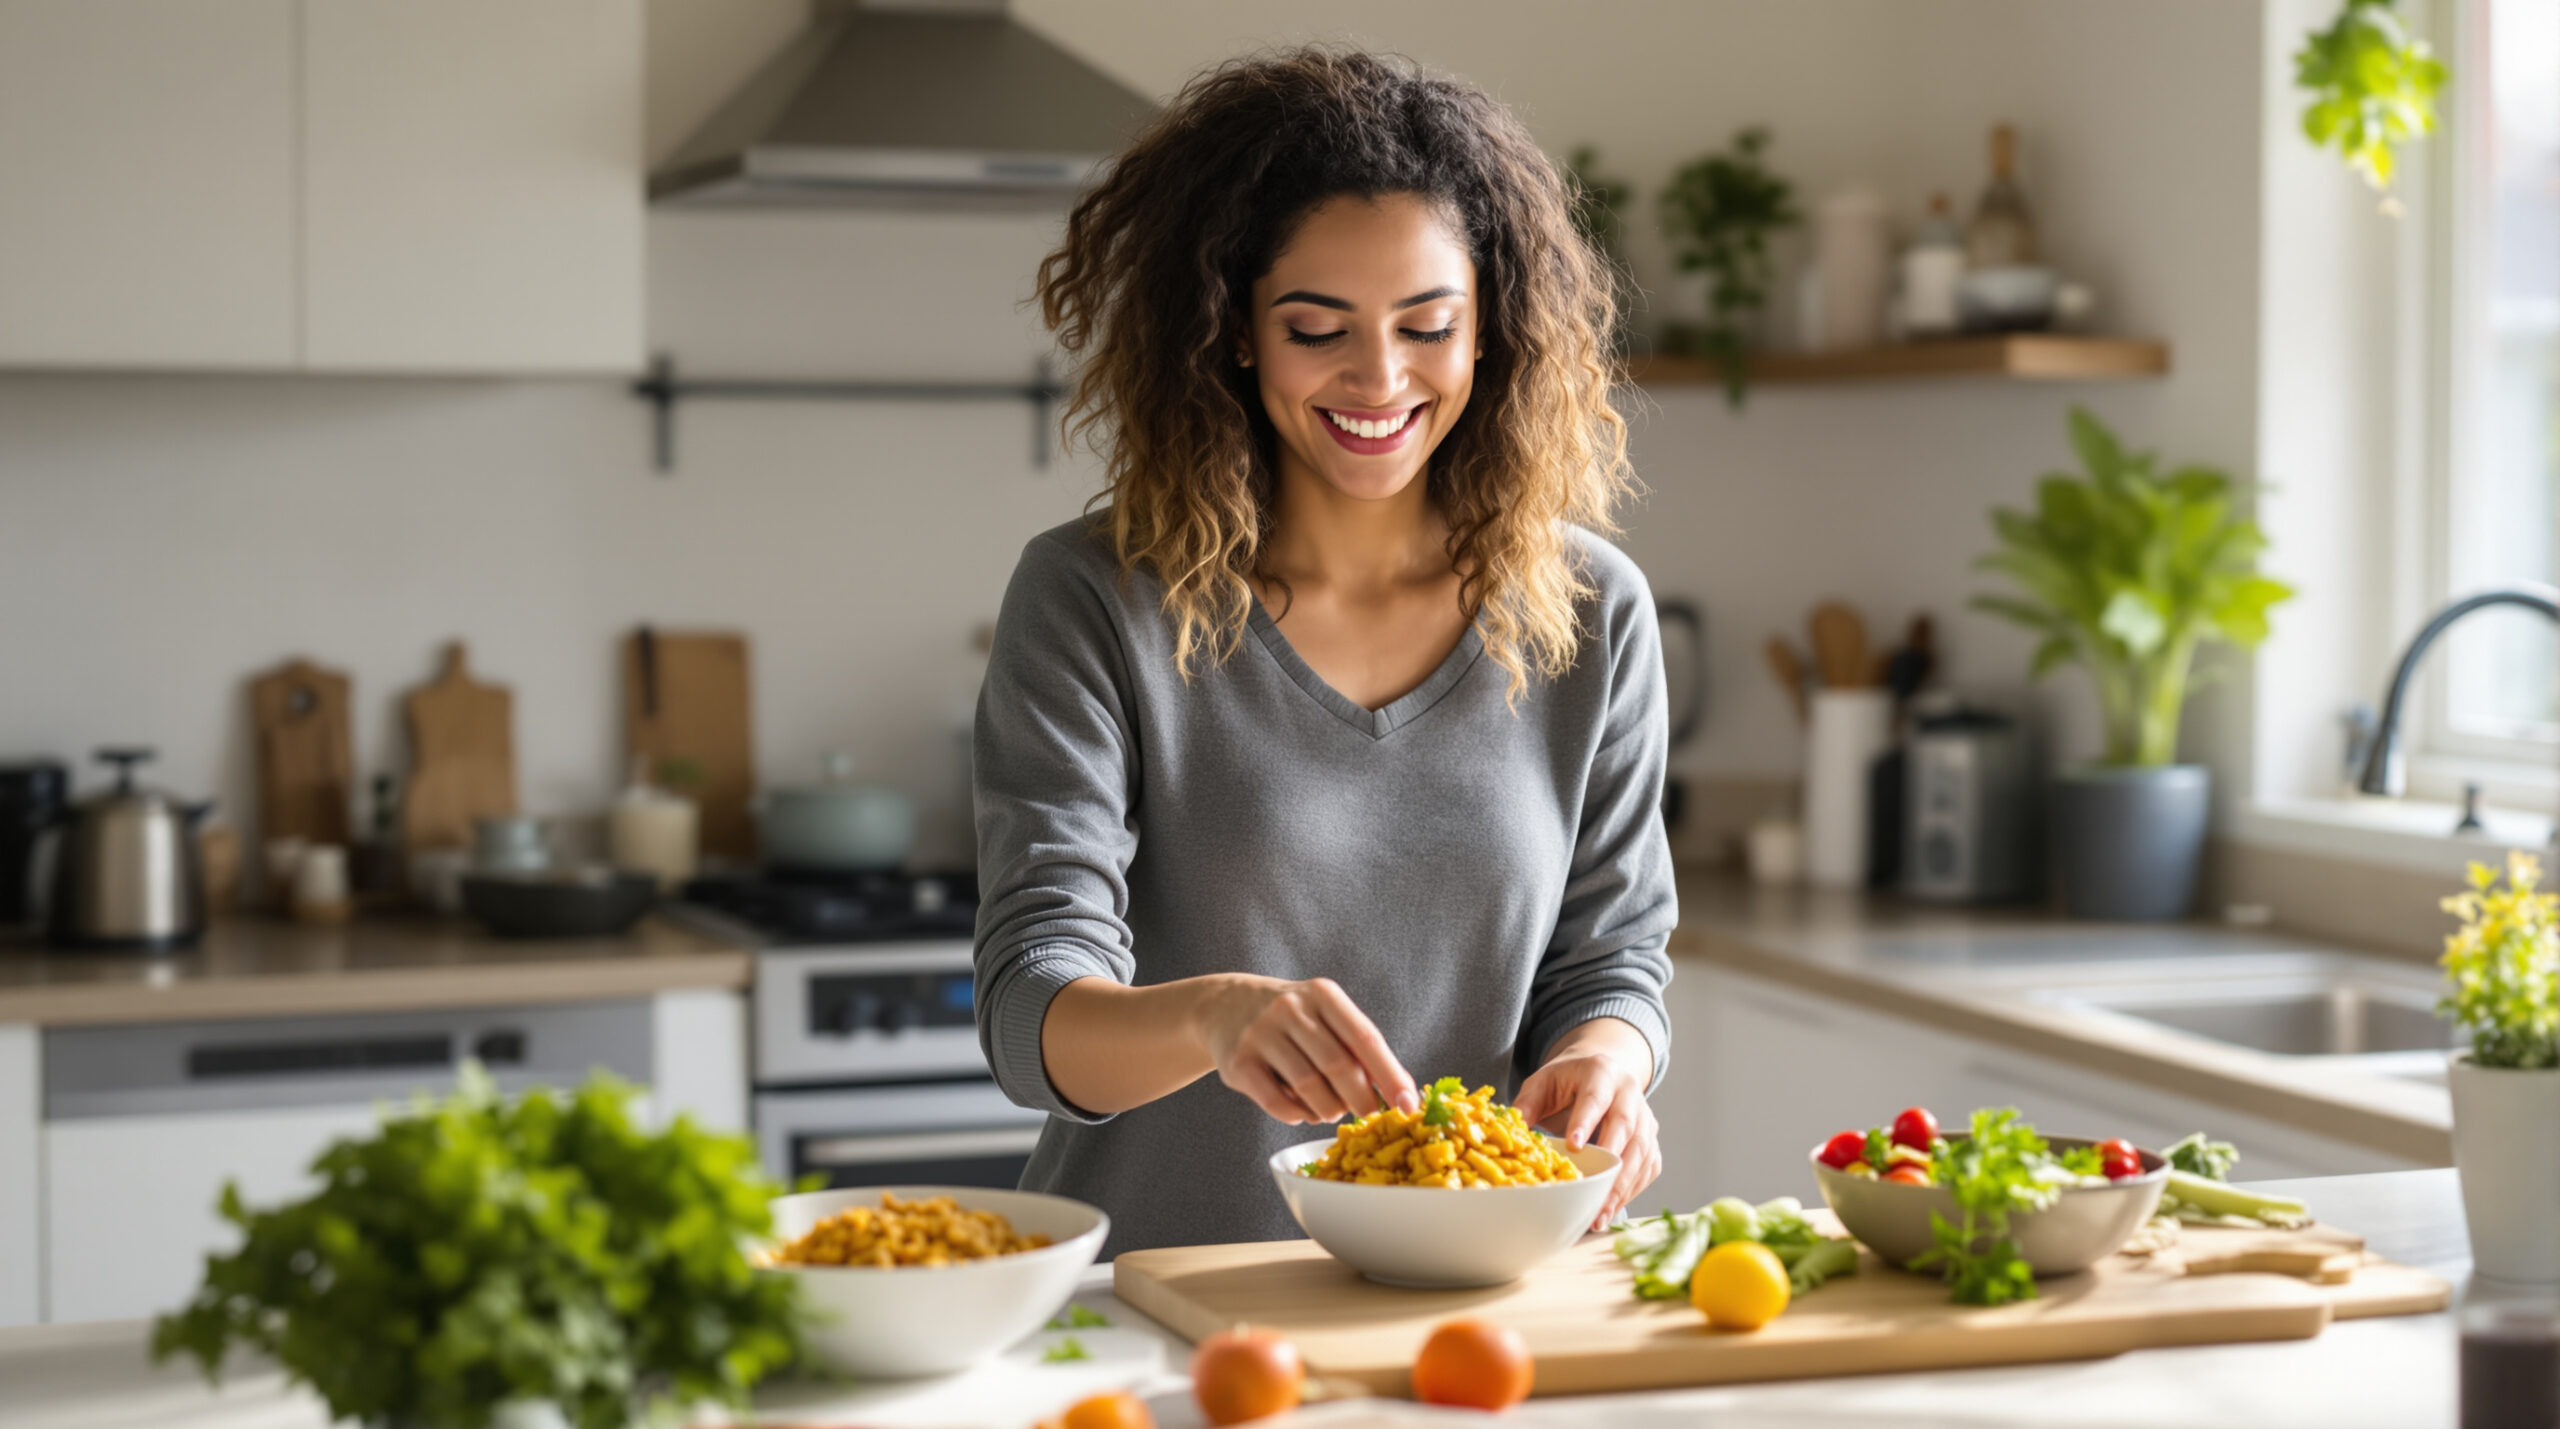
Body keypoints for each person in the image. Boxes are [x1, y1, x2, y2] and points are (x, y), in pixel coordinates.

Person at [972, 47, 1675, 1256]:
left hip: (1473, 1295)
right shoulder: (1093, 596)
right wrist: (1211, 1021)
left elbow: (1611, 956)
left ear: (1487, 335)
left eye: (1428, 326)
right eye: (1317, 327)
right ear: (1235, 332)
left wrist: (1606, 1056)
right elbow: (1031, 1009)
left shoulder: (1589, 608)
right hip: (1163, 1298)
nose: (1379, 377)